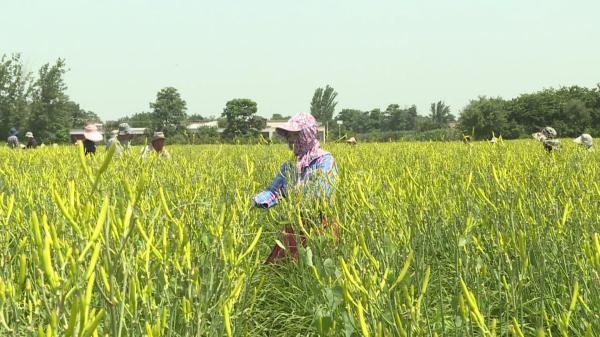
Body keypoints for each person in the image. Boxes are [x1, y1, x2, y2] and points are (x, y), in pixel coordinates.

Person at [252, 112, 337, 264]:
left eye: (294, 135)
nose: (290, 141)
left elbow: (323, 192)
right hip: (295, 224)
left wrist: (297, 201)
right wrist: (257, 201)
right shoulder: (289, 165)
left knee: (317, 267)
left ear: (306, 135)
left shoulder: (325, 160)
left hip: (320, 226)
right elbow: (274, 192)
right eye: (289, 136)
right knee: (278, 269)